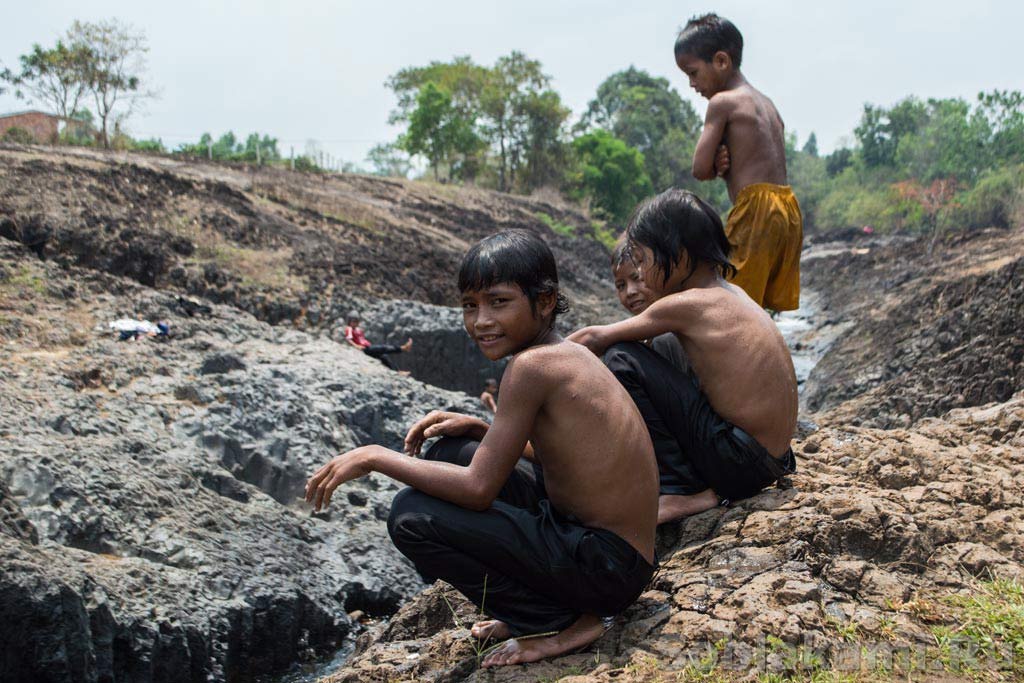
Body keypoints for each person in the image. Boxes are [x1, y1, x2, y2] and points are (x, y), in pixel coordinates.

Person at [306, 230, 658, 667]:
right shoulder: (561, 354)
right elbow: (569, 460)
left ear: (545, 302)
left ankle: (558, 620)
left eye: (498, 302)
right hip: (618, 558)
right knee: (453, 450)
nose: (480, 321)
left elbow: (477, 490)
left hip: (606, 566)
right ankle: (540, 603)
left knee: (410, 516)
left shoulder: (531, 367)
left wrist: (375, 456)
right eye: (470, 306)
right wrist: (477, 427)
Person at [568, 189, 797, 524]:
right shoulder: (733, 293)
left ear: (676, 254)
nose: (642, 276)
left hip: (740, 461)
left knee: (622, 358)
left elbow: (593, 338)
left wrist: (538, 359)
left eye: (644, 261)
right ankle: (698, 483)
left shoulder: (688, 303)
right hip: (773, 459)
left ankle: (680, 488)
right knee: (657, 349)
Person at [676, 13, 803, 312]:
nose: (692, 84)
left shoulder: (723, 103)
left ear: (721, 61)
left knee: (730, 302)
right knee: (756, 304)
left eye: (693, 73)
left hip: (756, 209)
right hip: (787, 209)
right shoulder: (767, 104)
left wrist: (717, 163)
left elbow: (700, 168)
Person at [611, 237, 688, 373]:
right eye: (621, 285)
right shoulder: (644, 335)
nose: (630, 292)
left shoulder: (672, 334)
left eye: (637, 278)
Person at [343, 311, 413, 370]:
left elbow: (361, 339)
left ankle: (397, 371)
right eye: (354, 321)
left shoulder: (358, 329)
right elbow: (349, 339)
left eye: (357, 321)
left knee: (384, 356)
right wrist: (356, 346)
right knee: (383, 348)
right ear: (349, 321)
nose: (356, 323)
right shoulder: (349, 328)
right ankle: (403, 348)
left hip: (368, 347)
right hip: (364, 349)